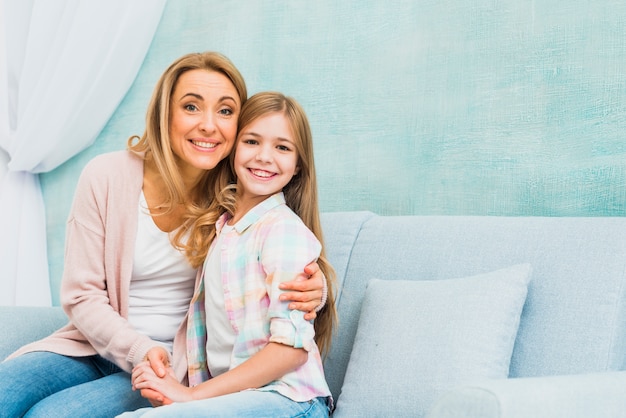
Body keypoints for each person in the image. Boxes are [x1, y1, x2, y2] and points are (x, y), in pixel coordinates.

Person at [0, 52, 326, 418]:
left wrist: (317, 288)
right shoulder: (107, 177)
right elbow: (82, 294)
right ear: (164, 114)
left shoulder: (236, 196)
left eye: (225, 111)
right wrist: (136, 347)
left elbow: (278, 252)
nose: (208, 125)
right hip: (94, 346)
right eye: (191, 107)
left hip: (169, 364)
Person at [118, 91, 336, 417]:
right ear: (232, 149)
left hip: (289, 401)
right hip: (236, 400)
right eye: (251, 141)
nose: (264, 156)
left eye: (282, 147)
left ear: (298, 166)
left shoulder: (282, 231)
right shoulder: (223, 230)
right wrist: (170, 387)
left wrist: (190, 398)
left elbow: (290, 351)